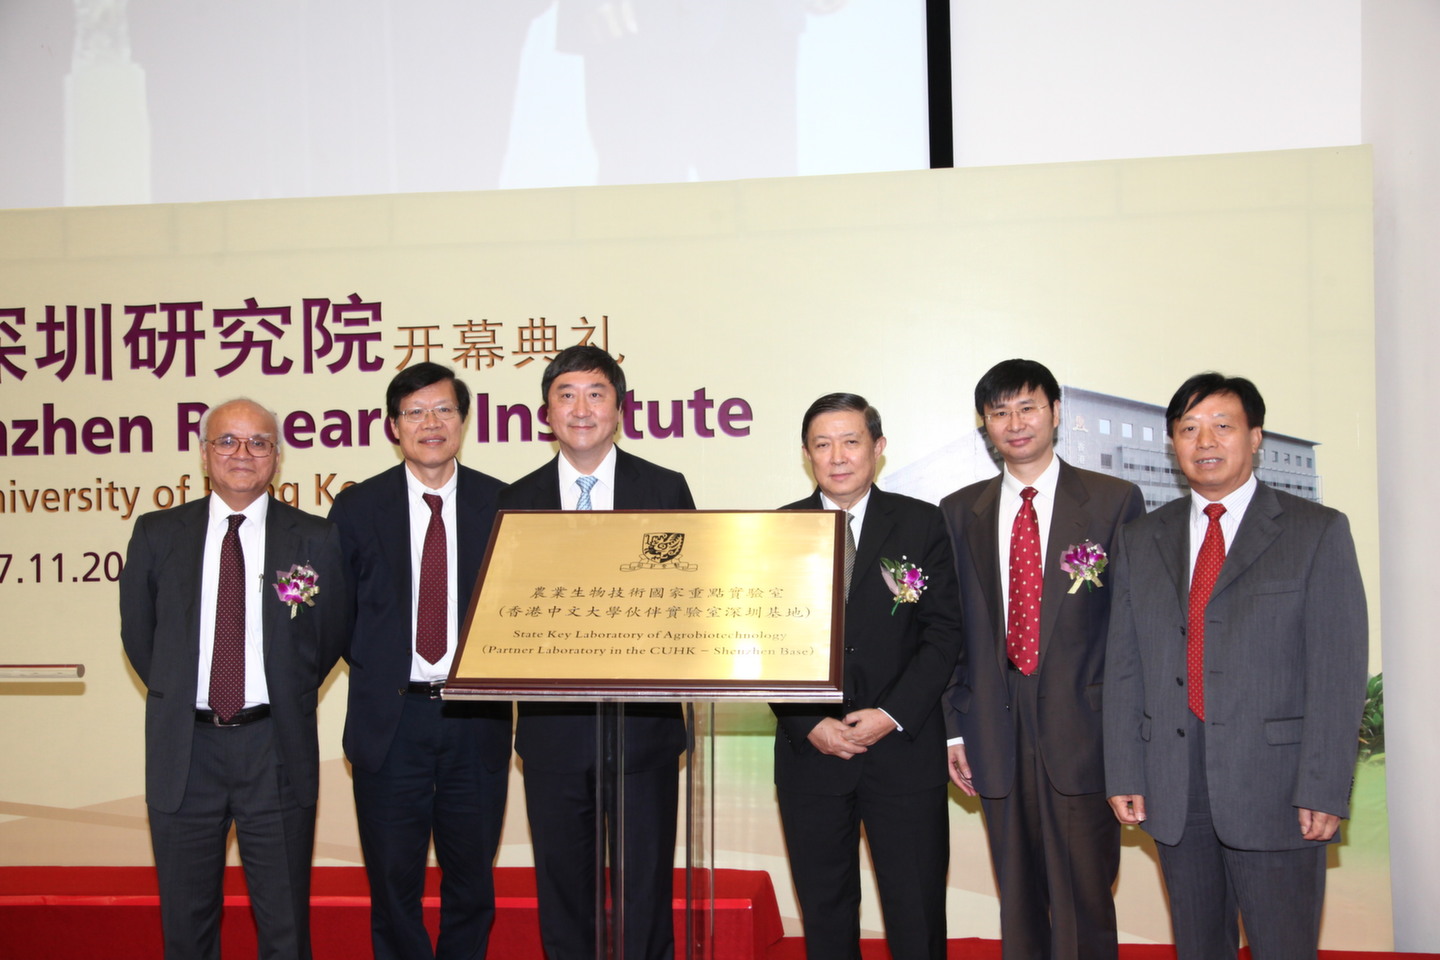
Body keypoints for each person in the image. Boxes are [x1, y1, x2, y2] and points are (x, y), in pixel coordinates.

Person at [1104, 373, 1367, 959]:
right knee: (1199, 947)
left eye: (1223, 426)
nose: (1206, 442)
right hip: (1174, 783)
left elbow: (1337, 671)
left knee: (1282, 947)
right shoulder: (1143, 538)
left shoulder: (1316, 531)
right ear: (1172, 443)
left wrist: (1325, 786)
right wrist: (1125, 768)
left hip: (1278, 788)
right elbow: (1125, 663)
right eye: (1189, 429)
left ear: (1256, 439)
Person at [119, 398, 350, 960]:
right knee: (187, 926)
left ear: (277, 456)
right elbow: (141, 639)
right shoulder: (156, 533)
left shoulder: (314, 539)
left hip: (275, 746)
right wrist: (187, 696)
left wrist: (279, 693)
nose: (242, 453)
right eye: (227, 441)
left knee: (285, 926)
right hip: (185, 748)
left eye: (258, 442)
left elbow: (328, 637)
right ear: (204, 454)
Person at [941, 359, 1144, 960]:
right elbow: (953, 632)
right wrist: (954, 731)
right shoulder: (959, 511)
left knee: (1085, 892)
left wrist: (1130, 740)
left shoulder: (1112, 501)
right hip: (994, 725)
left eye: (1027, 407)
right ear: (985, 426)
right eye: (999, 413)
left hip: (1085, 726)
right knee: (1018, 895)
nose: (1015, 423)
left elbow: (1133, 628)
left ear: (1057, 413)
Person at [498, 344, 693, 960]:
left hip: (643, 730)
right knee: (563, 891)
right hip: (553, 733)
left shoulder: (664, 488)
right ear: (546, 414)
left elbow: (690, 598)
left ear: (619, 408)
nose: (581, 409)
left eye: (596, 394)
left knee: (645, 890)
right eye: (566, 395)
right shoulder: (514, 500)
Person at [328, 363, 510, 960]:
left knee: (472, 884)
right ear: (392, 427)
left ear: (463, 421)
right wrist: (386, 670)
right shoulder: (357, 510)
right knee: (392, 885)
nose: (431, 424)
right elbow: (338, 616)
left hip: (473, 721)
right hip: (391, 721)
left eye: (444, 411)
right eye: (415, 412)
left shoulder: (504, 504)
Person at [773, 392, 962, 960]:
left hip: (903, 751)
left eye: (851, 441)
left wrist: (890, 714)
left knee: (917, 909)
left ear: (877, 449)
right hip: (812, 754)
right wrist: (809, 721)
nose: (837, 456)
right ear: (807, 455)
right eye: (822, 445)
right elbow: (758, 643)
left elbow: (944, 633)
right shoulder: (779, 529)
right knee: (825, 912)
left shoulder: (922, 523)